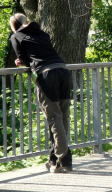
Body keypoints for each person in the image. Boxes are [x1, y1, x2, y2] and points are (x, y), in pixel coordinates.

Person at [10, 13, 72, 173]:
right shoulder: (43, 33)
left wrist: (20, 62)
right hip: (63, 71)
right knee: (62, 116)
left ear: (14, 25)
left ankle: (64, 159)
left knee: (54, 118)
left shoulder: (16, 36)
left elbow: (22, 58)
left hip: (46, 75)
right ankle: (54, 160)